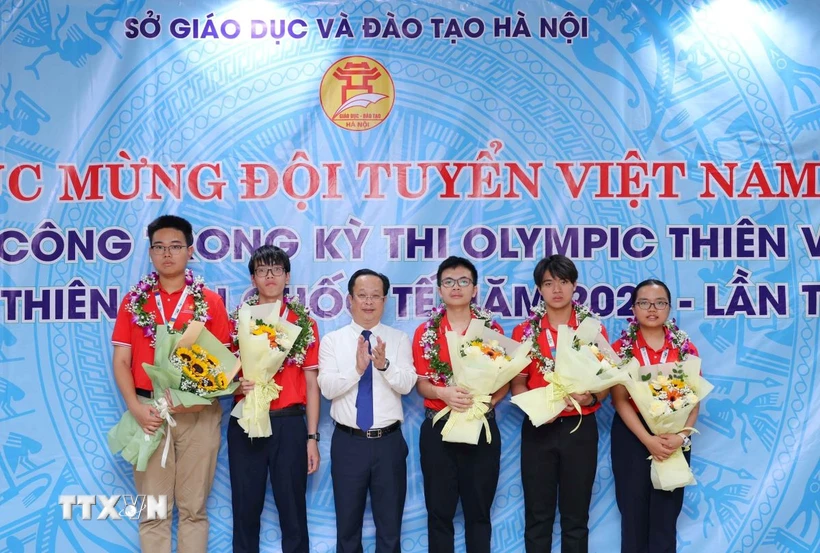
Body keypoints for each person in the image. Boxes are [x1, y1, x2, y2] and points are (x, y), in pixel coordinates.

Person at [111, 215, 231, 553]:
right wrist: (136, 408)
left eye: (176, 246)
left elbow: (223, 369)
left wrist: (191, 402)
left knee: (193, 510)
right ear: (150, 253)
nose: (168, 254)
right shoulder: (135, 302)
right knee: (154, 512)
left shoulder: (209, 302)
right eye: (160, 247)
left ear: (190, 251)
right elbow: (121, 361)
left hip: (198, 414)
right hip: (148, 414)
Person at [510, 254, 608, 553]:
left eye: (563, 282)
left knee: (576, 516)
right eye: (549, 283)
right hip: (540, 428)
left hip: (580, 427)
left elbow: (607, 379)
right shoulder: (524, 332)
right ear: (539, 289)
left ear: (574, 286)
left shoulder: (592, 330)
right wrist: (536, 408)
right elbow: (516, 382)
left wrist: (591, 397)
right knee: (538, 516)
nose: (557, 290)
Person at [228, 245, 321, 553]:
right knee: (245, 508)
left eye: (276, 270)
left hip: (289, 424)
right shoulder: (237, 320)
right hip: (245, 423)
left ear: (287, 276)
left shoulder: (302, 322)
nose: (270, 276)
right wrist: (239, 386)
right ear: (253, 278)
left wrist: (312, 437)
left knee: (293, 512)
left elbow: (312, 383)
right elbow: (223, 378)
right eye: (262, 270)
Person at [317, 269, 417, 553]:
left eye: (376, 296)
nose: (369, 302)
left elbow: (408, 384)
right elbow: (326, 388)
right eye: (362, 296)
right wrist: (357, 369)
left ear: (384, 301)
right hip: (349, 443)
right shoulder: (333, 341)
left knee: (390, 528)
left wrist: (384, 365)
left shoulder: (397, 339)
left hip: (389, 443)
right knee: (347, 529)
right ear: (350, 299)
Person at [413, 256, 507, 553]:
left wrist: (483, 403)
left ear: (475, 289)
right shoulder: (426, 332)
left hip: (481, 427)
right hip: (438, 426)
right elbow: (421, 384)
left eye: (464, 281)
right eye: (449, 282)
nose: (457, 287)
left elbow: (504, 381)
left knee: (478, 512)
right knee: (439, 513)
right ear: (439, 290)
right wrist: (444, 394)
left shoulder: (491, 331)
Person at [610, 279, 700, 553]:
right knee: (633, 516)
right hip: (632, 436)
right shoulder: (621, 349)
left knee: (665, 518)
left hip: (674, 439)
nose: (652, 309)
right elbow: (619, 400)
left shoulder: (685, 348)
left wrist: (681, 436)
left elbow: (694, 400)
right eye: (644, 303)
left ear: (669, 308)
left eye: (660, 303)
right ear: (634, 308)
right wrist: (647, 440)